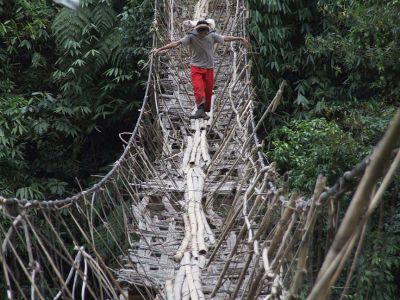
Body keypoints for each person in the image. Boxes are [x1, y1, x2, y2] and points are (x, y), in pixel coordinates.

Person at [151, 20, 249, 119]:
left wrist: (239, 38)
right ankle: (200, 110)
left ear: (207, 30)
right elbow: (176, 43)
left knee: (208, 90)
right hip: (196, 67)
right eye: (200, 31)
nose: (202, 33)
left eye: (204, 31)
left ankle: (203, 111)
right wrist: (159, 49)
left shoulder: (213, 36)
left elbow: (225, 38)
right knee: (198, 88)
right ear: (196, 31)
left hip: (209, 68)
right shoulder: (191, 37)